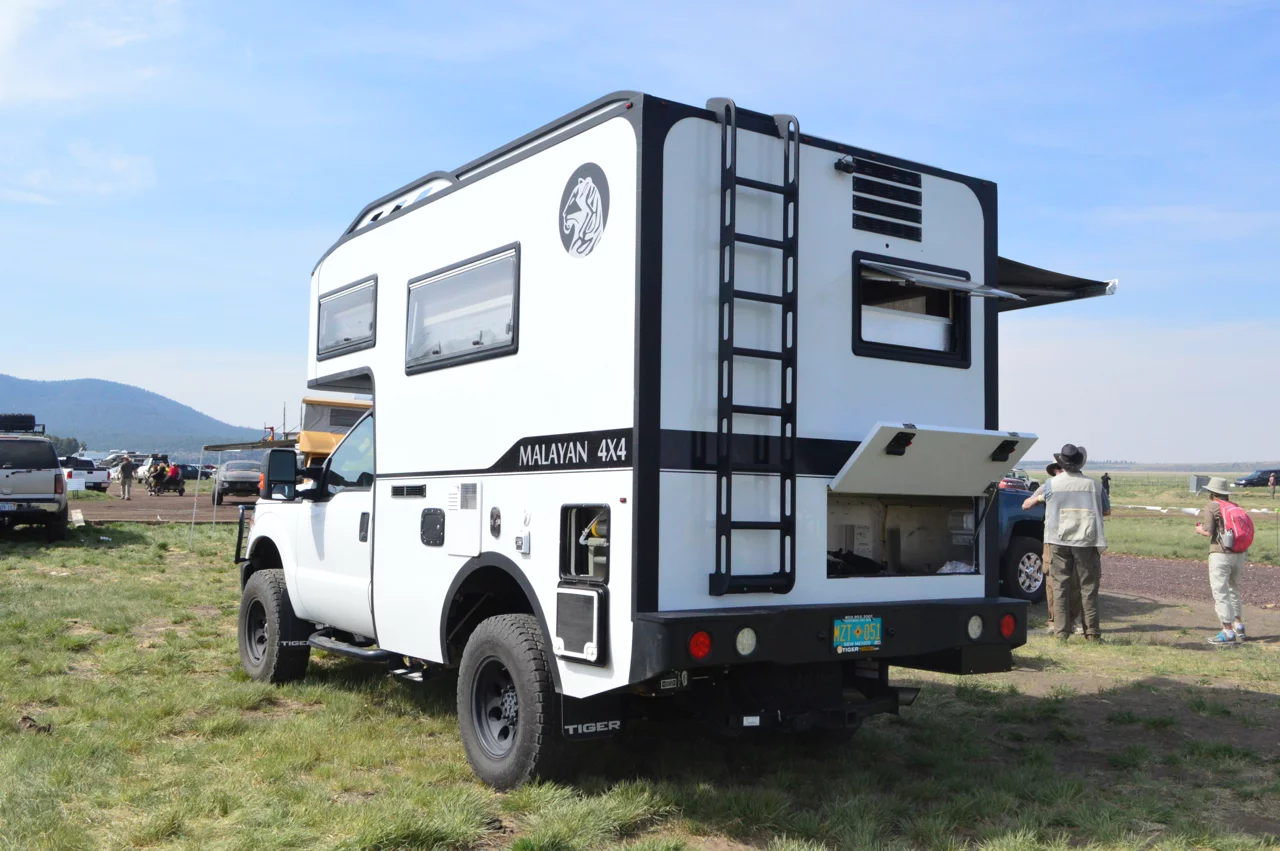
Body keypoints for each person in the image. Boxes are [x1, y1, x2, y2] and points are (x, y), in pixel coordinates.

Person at [1025, 444, 1110, 640]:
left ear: (1061, 463)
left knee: (1059, 586)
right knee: (1088, 587)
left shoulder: (1050, 485)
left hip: (1057, 539)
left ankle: (1061, 632)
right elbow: (1107, 511)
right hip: (1087, 540)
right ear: (1080, 463)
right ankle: (1092, 633)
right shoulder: (1095, 485)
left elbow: (1030, 503)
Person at [1194, 477, 1248, 645]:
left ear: (1212, 493)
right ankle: (1239, 625)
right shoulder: (1235, 507)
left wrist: (1198, 530)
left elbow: (1209, 531)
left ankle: (1227, 632)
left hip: (1220, 553)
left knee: (1220, 592)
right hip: (1239, 554)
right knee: (1234, 588)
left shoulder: (1211, 506)